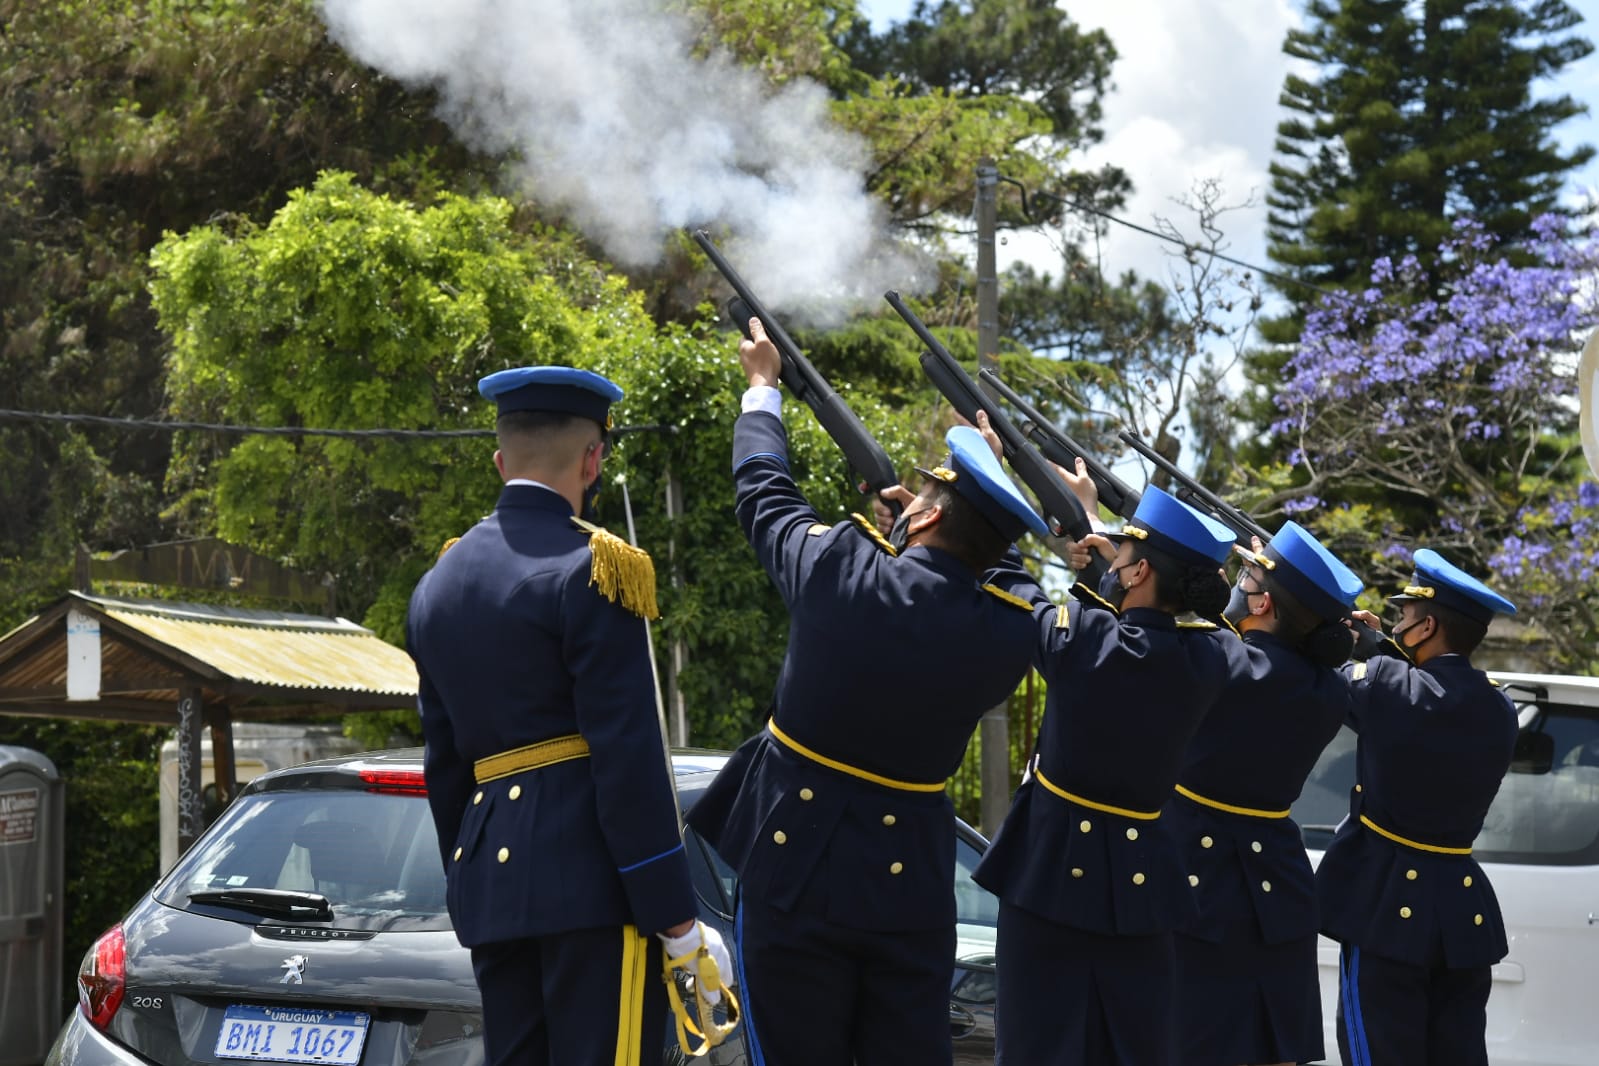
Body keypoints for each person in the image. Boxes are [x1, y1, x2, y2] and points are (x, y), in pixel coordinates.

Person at [685, 318, 1047, 1066]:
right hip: (907, 882)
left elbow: (763, 492)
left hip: (793, 867)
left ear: (927, 513)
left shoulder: (842, 569)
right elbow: (1004, 576)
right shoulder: (1008, 629)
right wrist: (981, 495)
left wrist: (761, 391)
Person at [406, 365, 728, 1066]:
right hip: (590, 888)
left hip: (492, 889)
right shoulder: (596, 567)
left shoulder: (437, 585)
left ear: (500, 461)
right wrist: (676, 921)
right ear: (592, 458)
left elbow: (444, 768)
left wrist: (474, 881)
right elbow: (628, 758)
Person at [974, 472, 1236, 1066]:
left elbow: (1008, 580)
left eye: (1125, 557)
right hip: (1143, 883)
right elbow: (1148, 627)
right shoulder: (1209, 662)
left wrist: (992, 476)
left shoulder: (1086, 641)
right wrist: (1096, 537)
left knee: (1035, 1047)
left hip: (1048, 875)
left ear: (1139, 572)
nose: (1113, 563)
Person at [1166, 522, 1363, 1066]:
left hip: (1196, 886)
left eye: (1247, 580)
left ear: (1265, 604)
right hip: (1277, 889)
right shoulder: (1330, 688)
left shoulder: (1217, 659)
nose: (1237, 587)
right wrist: (1273, 585)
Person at [1318, 548, 1518, 1066]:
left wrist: (1336, 627)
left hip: (1387, 906)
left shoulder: (1387, 685)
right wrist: (1381, 648)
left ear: (1427, 627)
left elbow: (1332, 667)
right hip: (1460, 911)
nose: (1396, 624)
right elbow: (1430, 696)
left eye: (1404, 618)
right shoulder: (1500, 709)